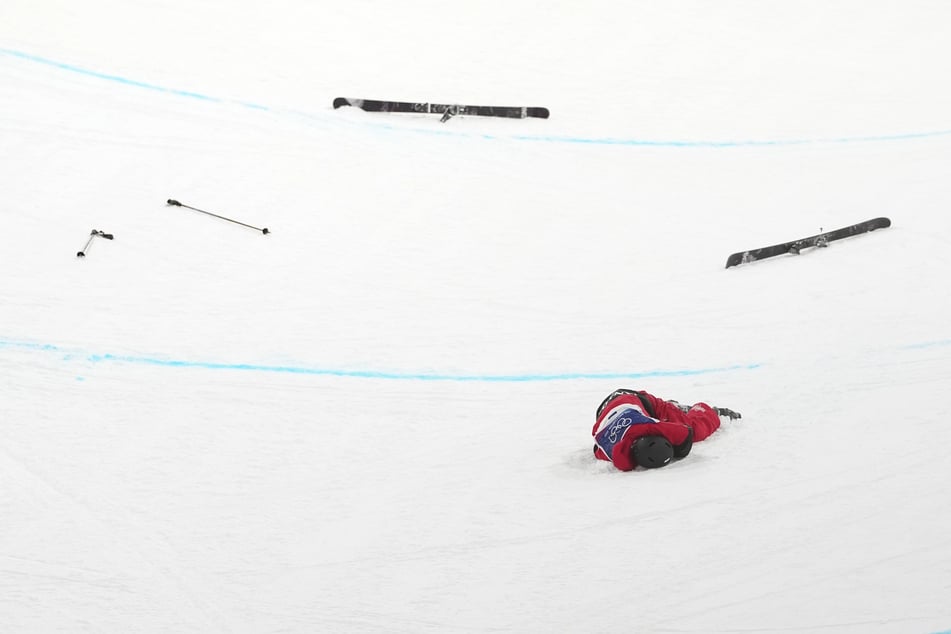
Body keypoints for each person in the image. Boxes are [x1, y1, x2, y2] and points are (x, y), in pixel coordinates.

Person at [592, 388, 741, 472]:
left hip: (635, 400)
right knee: (696, 430)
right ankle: (704, 412)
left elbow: (684, 433)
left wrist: (677, 448)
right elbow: (596, 448)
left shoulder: (648, 426)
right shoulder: (609, 451)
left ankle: (685, 410)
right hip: (606, 411)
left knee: (693, 428)